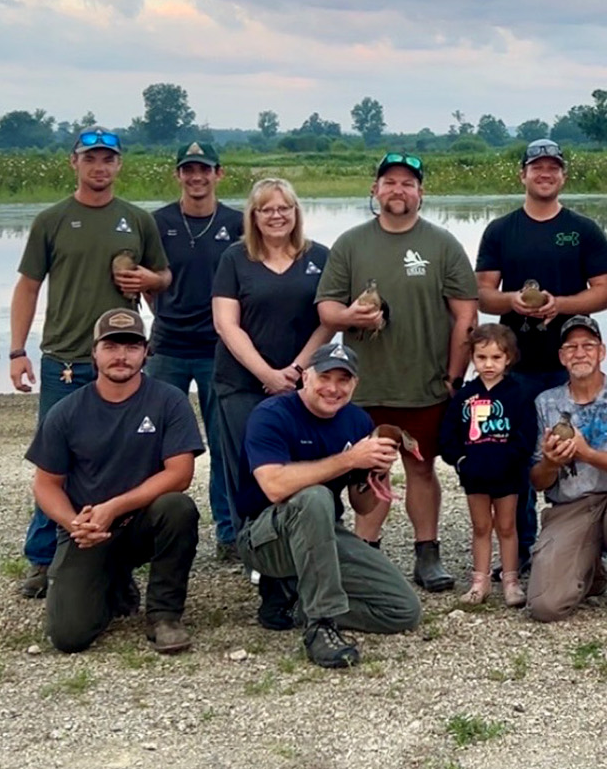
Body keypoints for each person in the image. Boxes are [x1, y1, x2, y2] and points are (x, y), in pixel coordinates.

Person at [8, 127, 171, 599]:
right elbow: (27, 286)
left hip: (123, 360)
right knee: (55, 464)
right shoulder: (52, 220)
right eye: (90, 159)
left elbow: (163, 276)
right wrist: (18, 350)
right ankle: (43, 558)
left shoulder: (137, 220)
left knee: (123, 465)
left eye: (108, 159)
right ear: (73, 163)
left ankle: (115, 553)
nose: (100, 167)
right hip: (66, 360)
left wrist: (148, 278)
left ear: (120, 165)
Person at [316, 151, 480, 592]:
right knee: (369, 471)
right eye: (389, 182)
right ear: (375, 189)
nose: (398, 190)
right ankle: (367, 553)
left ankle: (428, 553)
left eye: (408, 183)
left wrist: (453, 376)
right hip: (364, 386)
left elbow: (466, 314)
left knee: (422, 470)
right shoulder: (351, 244)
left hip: (424, 384)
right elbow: (327, 307)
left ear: (421, 192)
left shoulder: (443, 244)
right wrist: (351, 317)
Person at [474, 138, 607, 577]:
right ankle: (520, 552)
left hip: (567, 366)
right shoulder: (501, 230)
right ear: (523, 174)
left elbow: (605, 293)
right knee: (517, 457)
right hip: (513, 368)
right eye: (537, 167)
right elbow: (482, 295)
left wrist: (562, 305)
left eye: (553, 167)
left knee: (571, 454)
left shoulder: (585, 229)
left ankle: (581, 548)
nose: (545, 174)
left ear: (563, 175)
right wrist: (513, 301)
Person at [235, 343, 424, 669]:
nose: (333, 388)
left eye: (344, 379)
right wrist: (349, 459)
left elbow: (362, 507)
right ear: (305, 377)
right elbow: (274, 485)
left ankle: (290, 603)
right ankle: (321, 625)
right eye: (325, 377)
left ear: (355, 384)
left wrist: (376, 473)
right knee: (315, 495)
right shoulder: (271, 414)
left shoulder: (357, 421)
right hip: (264, 538)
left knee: (402, 610)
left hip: (323, 535)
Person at [26, 308, 200, 655]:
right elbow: (46, 484)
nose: (121, 356)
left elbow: (180, 474)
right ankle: (112, 582)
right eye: (111, 346)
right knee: (69, 637)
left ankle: (164, 615)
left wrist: (115, 507)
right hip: (88, 531)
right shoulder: (66, 411)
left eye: (132, 346)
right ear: (94, 352)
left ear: (146, 351)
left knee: (178, 508)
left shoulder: (169, 401)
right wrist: (73, 523)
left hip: (142, 523)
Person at [209, 176, 332, 595]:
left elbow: (328, 321)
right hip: (241, 384)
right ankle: (257, 557)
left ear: (295, 213)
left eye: (284, 208)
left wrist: (295, 372)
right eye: (267, 209)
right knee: (249, 470)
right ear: (253, 216)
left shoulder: (319, 257)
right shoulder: (234, 258)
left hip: (303, 384)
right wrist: (266, 374)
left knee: (298, 467)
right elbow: (226, 324)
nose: (276, 216)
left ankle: (300, 550)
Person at [525, 317, 607, 623]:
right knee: (545, 606)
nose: (579, 353)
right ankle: (590, 569)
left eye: (588, 345)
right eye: (571, 347)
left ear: (602, 352)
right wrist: (551, 462)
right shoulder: (545, 403)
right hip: (570, 507)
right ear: (561, 356)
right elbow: (537, 480)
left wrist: (587, 453)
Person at [148, 139, 244, 562]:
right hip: (167, 346)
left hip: (219, 349)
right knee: (152, 441)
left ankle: (229, 532)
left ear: (218, 173)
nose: (196, 177)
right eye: (188, 169)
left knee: (225, 444)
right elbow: (151, 284)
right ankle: (148, 531)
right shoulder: (157, 223)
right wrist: (165, 313)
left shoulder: (239, 224)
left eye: (204, 169)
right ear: (178, 175)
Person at [439, 325, 537, 608]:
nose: (489, 364)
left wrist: (512, 460)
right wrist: (460, 461)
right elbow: (449, 435)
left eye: (496, 357)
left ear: (508, 358)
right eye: (482, 357)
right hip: (475, 474)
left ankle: (511, 581)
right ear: (472, 357)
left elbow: (526, 435)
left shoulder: (518, 394)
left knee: (507, 526)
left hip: (508, 473)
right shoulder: (465, 396)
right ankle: (479, 582)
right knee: (481, 526)